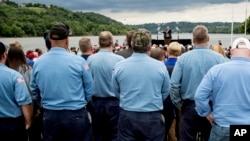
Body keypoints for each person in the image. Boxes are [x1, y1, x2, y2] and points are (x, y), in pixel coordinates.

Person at [30, 23, 94, 141]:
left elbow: (34, 90)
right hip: (76, 113)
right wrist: (80, 102)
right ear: (67, 40)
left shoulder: (38, 63)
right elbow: (89, 89)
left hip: (51, 114)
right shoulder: (79, 61)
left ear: (50, 39)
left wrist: (43, 104)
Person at [112, 29, 170, 141]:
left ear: (132, 44)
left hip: (128, 113)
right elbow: (165, 91)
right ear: (149, 46)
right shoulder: (160, 67)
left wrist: (128, 100)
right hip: (152, 114)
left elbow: (116, 91)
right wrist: (153, 100)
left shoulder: (119, 66)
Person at [170, 25, 225, 141]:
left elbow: (174, 84)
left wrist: (179, 105)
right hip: (212, 106)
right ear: (208, 38)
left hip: (189, 106)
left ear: (193, 40)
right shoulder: (219, 59)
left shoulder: (183, 59)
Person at [194, 37, 250, 141]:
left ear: (231, 52)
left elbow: (199, 95)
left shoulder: (216, 70)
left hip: (223, 125)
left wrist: (207, 113)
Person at [87, 31, 124, 141]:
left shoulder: (90, 59)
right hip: (115, 102)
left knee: (98, 134)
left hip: (96, 101)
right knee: (115, 134)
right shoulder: (120, 60)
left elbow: (88, 81)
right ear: (112, 43)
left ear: (99, 43)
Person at [0, 41, 33, 141]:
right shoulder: (14, 75)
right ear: (4, 55)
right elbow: (25, 102)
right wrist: (28, 122)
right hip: (12, 122)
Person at [163, 42, 182, 141]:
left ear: (167, 51)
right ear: (179, 52)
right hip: (180, 99)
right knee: (180, 123)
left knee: (169, 124)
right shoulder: (182, 65)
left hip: (165, 100)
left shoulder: (162, 65)